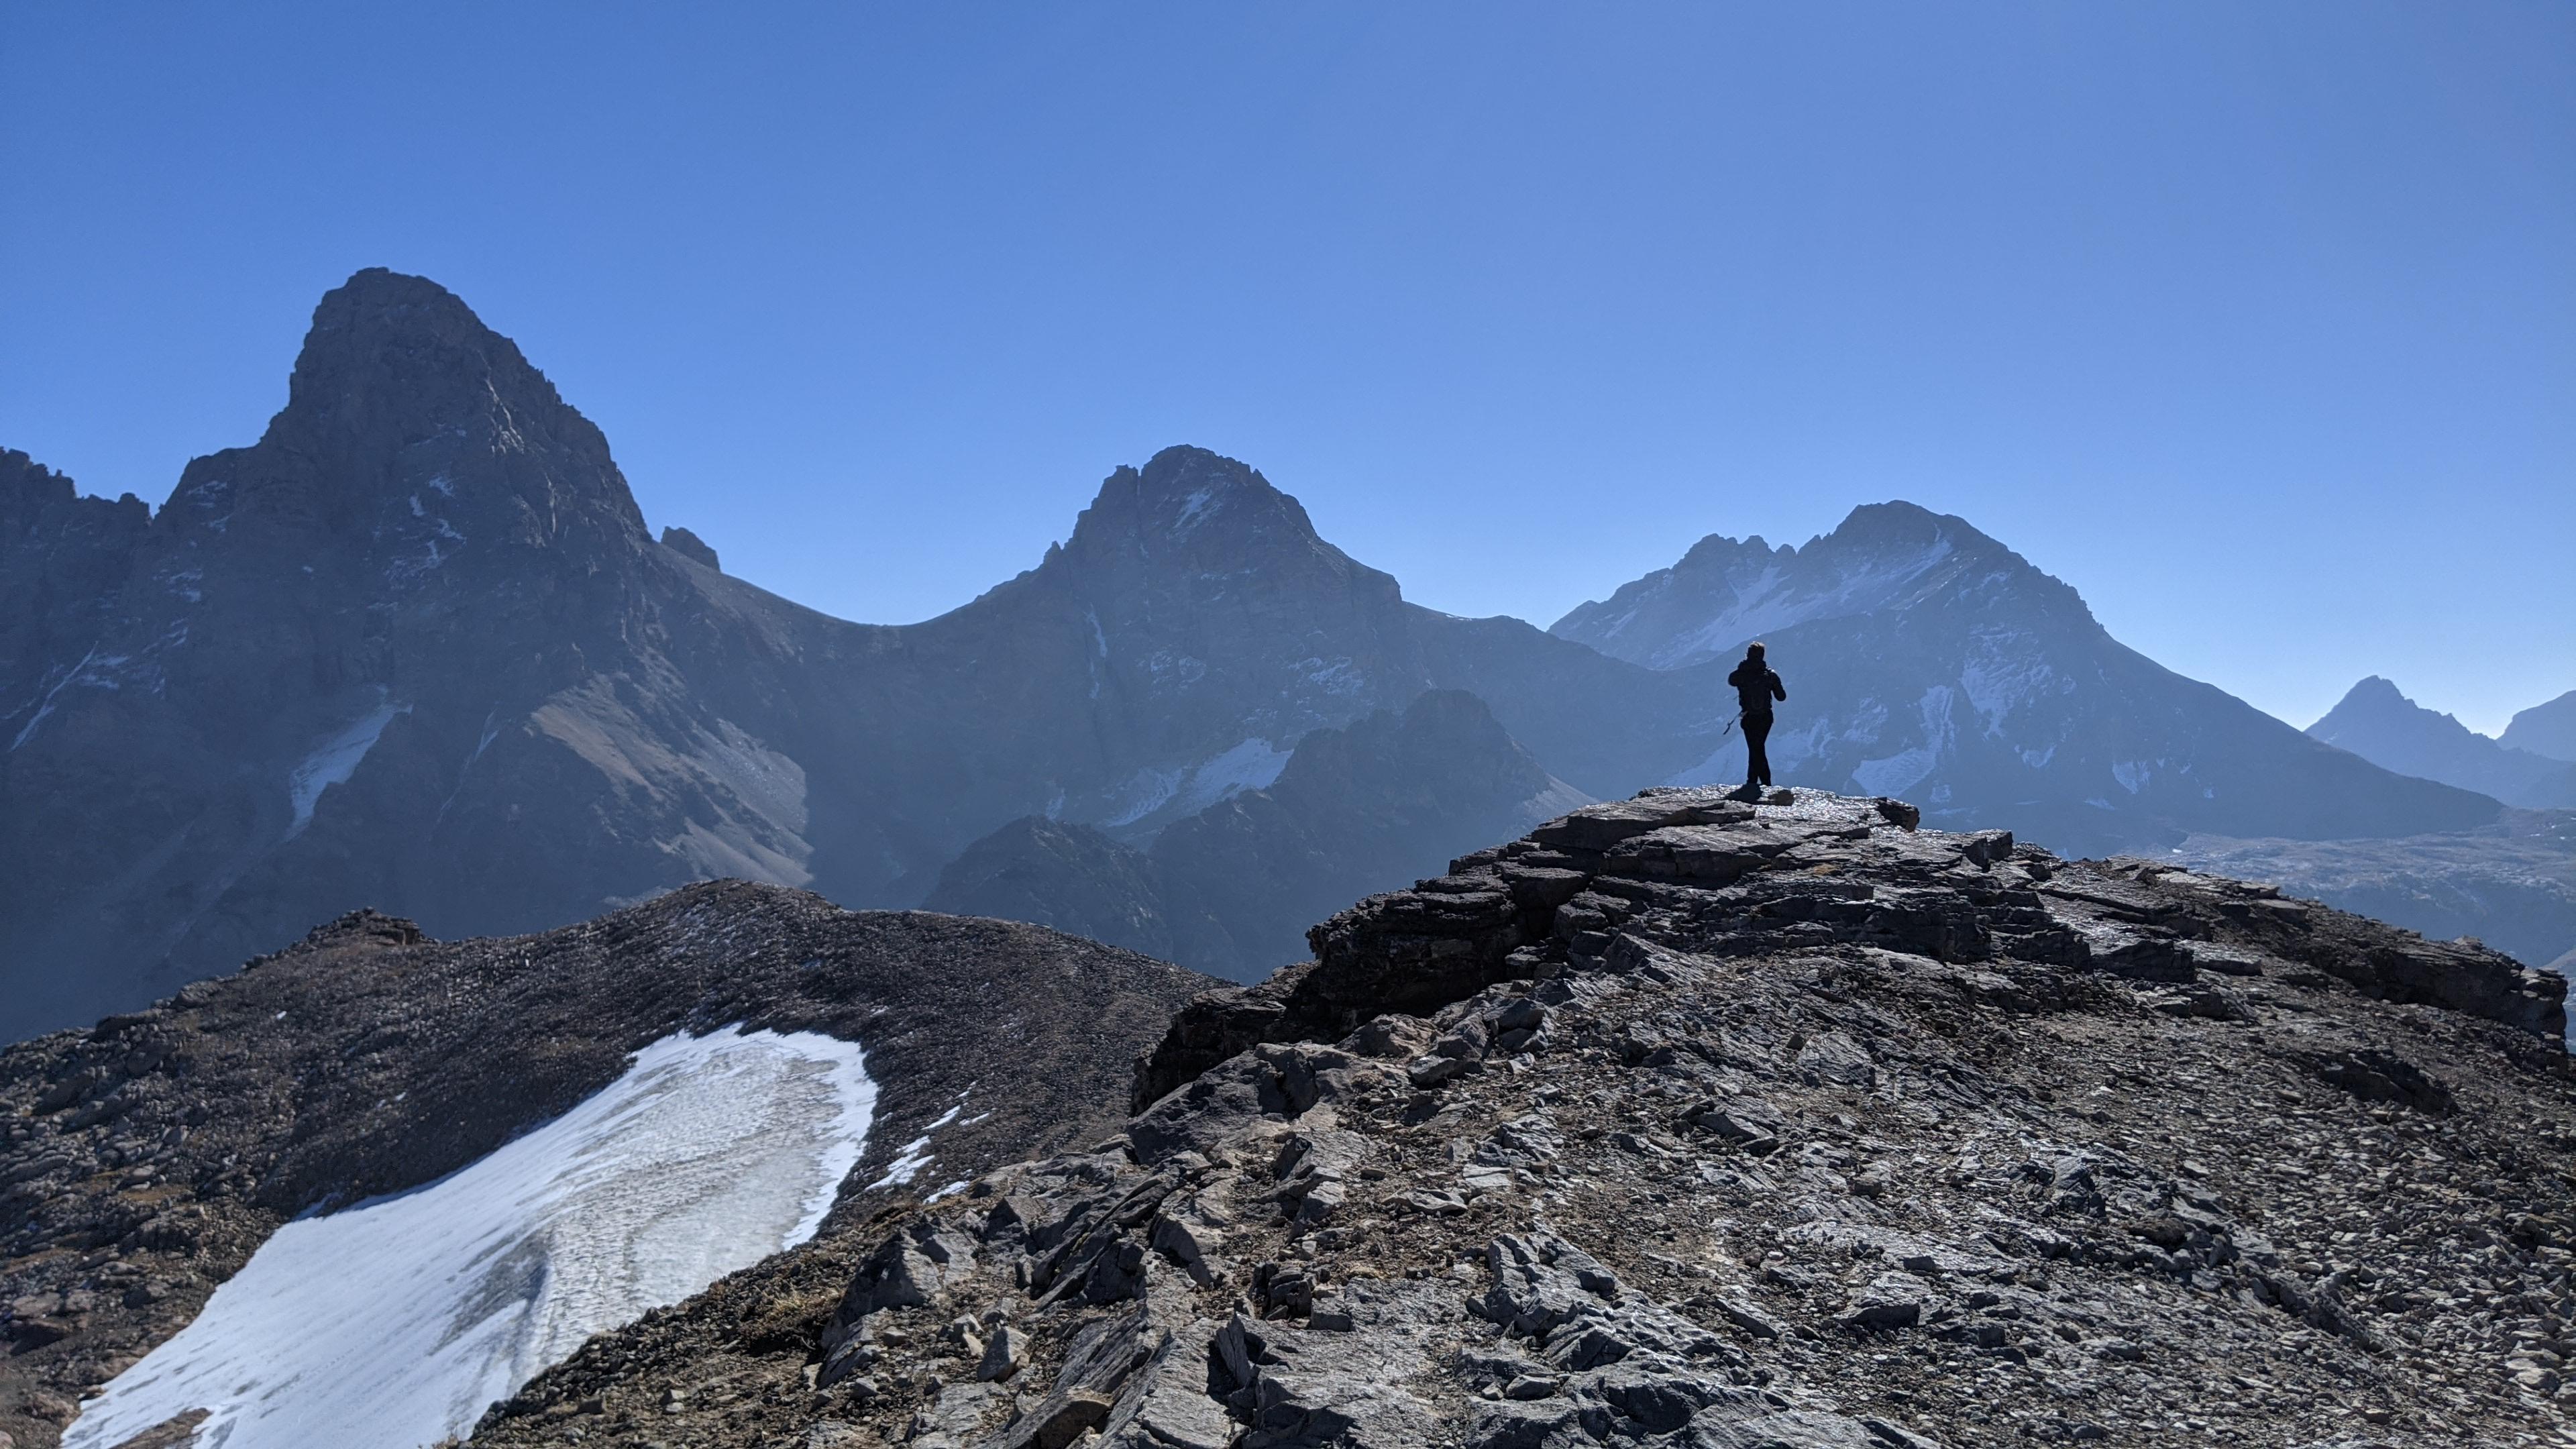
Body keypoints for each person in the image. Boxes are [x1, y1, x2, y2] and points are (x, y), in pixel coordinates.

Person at [1726, 642, 1786, 788]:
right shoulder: (1769, 675)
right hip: (1766, 717)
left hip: (1749, 717)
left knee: (1755, 748)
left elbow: (1731, 681)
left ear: (1747, 655)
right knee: (1758, 747)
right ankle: (1763, 783)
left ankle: (1754, 782)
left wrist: (1744, 667)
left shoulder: (1741, 674)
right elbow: (1781, 697)